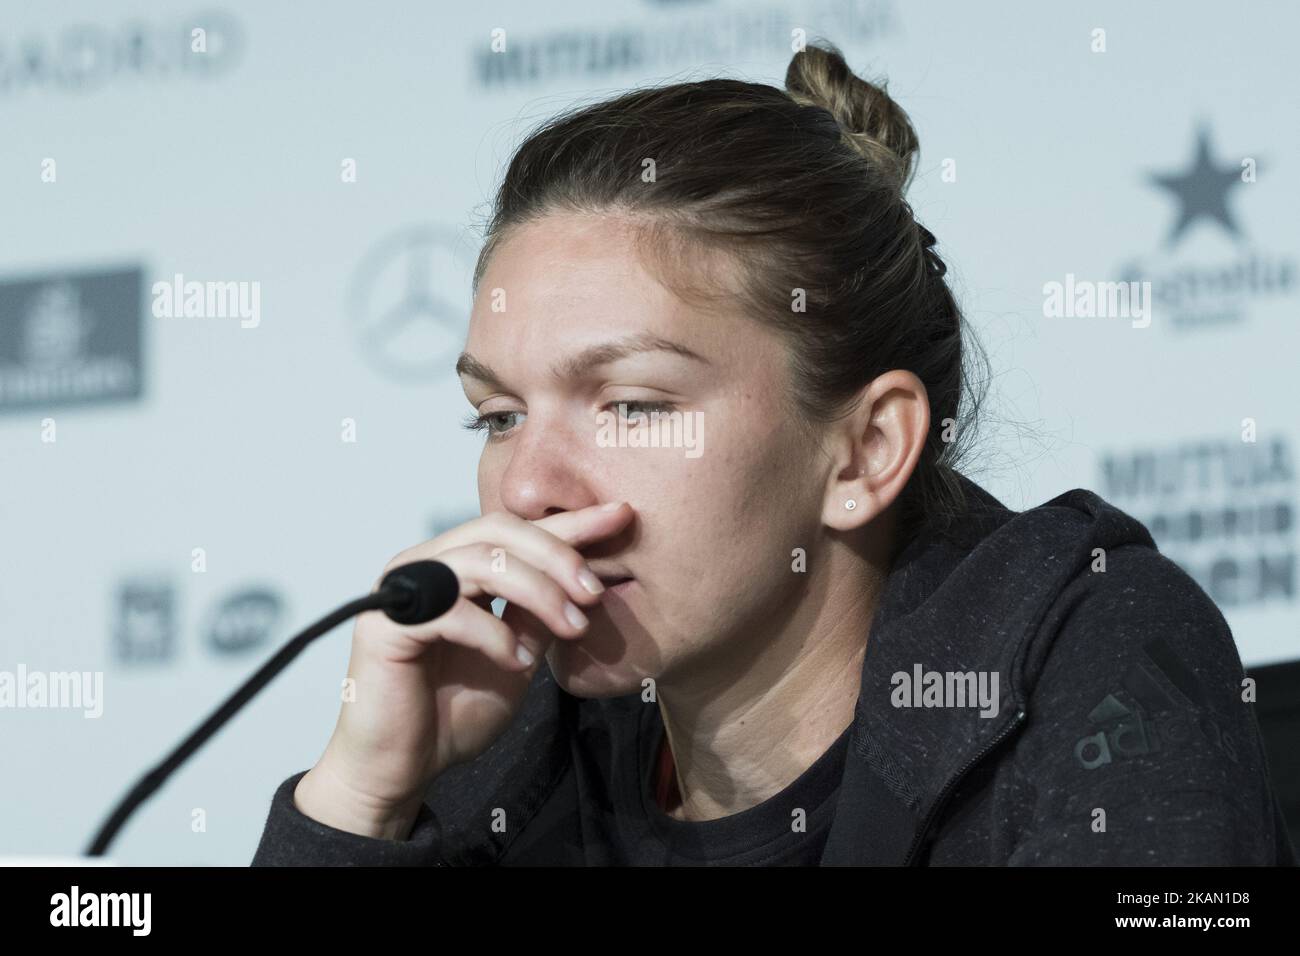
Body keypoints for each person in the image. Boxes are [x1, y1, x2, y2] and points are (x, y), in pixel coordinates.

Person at [251, 41, 1294, 866]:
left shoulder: (1089, 650)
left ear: (863, 451)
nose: (525, 487)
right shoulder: (512, 739)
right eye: (499, 414)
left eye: (630, 404)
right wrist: (356, 803)